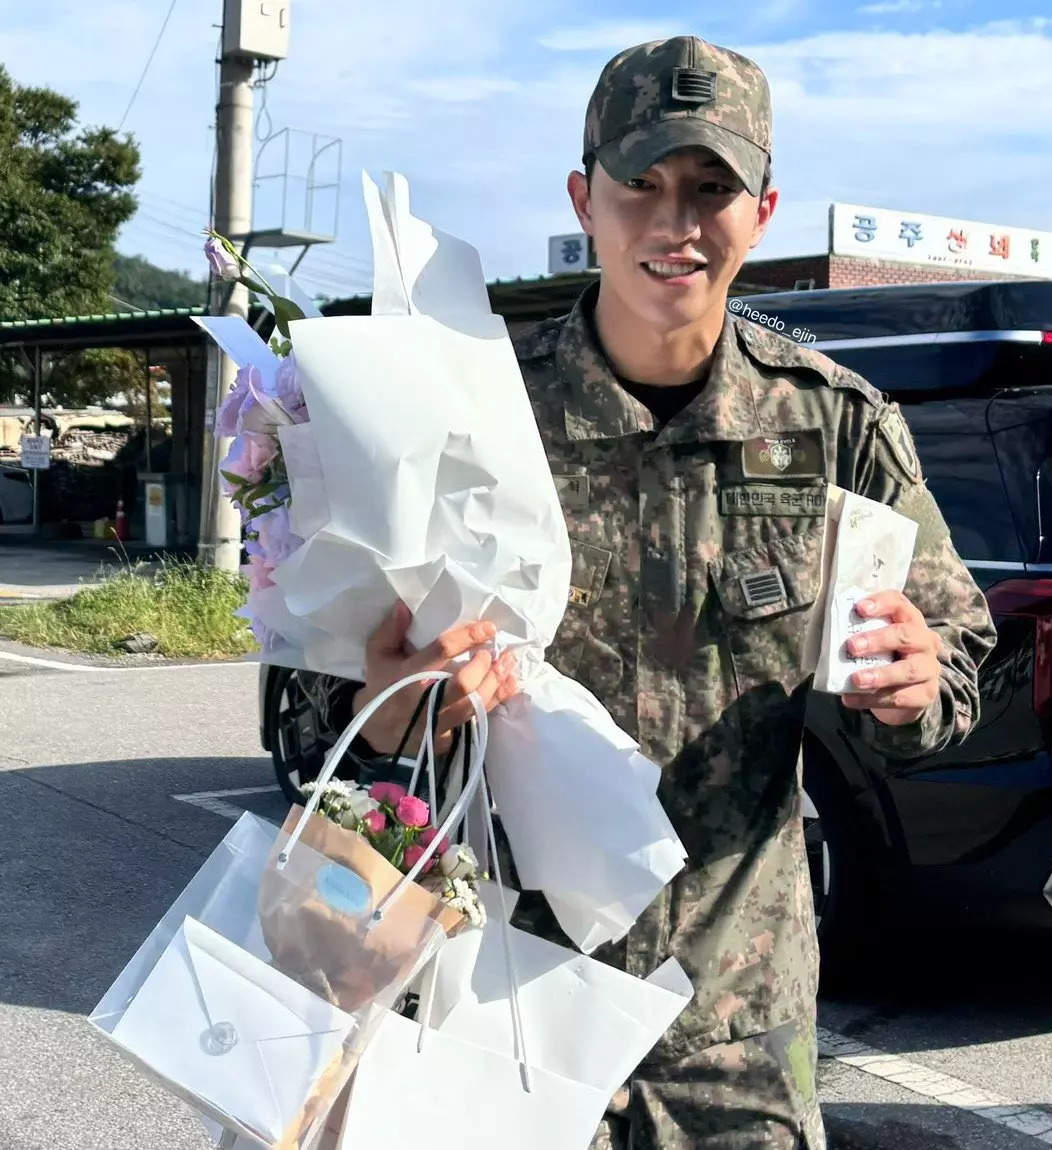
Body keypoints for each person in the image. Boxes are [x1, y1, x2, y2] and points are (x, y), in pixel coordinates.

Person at [304, 35, 997, 1150]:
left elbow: (960, 657)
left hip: (734, 1025)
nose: (675, 222)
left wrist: (919, 688)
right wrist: (384, 711)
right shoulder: (465, 416)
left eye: (711, 188)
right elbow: (315, 703)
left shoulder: (832, 426)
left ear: (763, 212)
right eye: (643, 184)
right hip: (499, 998)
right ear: (585, 198)